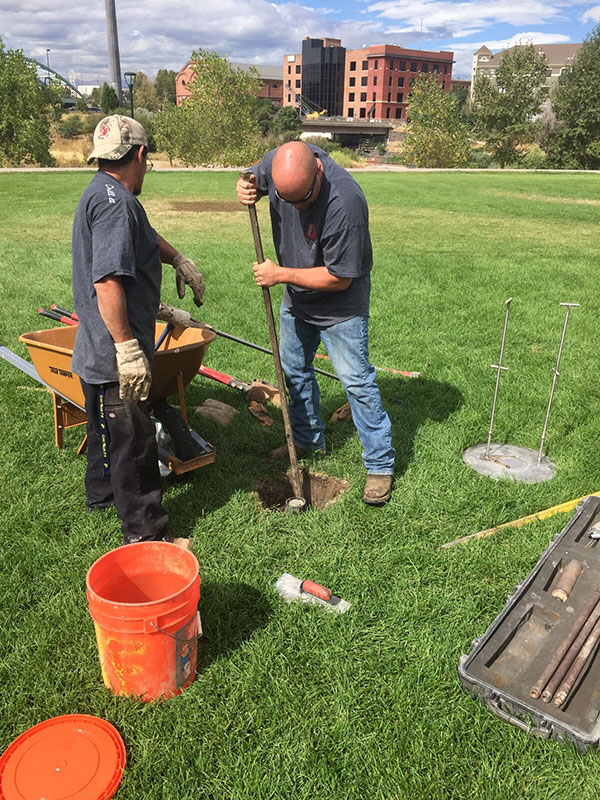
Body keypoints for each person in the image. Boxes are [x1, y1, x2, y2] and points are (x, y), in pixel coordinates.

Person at [235, 141, 395, 505]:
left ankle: (380, 465)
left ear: (318, 172)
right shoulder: (280, 165)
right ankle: (308, 441)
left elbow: (340, 278)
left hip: (341, 307)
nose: (297, 209)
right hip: (297, 299)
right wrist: (245, 185)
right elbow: (252, 178)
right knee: (294, 371)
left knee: (355, 381)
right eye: (286, 200)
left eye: (303, 200)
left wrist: (280, 274)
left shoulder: (346, 204)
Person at [71, 114, 205, 545]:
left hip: (93, 346)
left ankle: (102, 495)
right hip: (115, 353)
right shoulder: (115, 205)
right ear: (141, 155)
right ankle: (147, 534)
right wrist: (128, 349)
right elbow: (108, 280)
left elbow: (145, 236)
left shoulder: (105, 193)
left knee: (102, 431)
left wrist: (177, 259)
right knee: (136, 442)